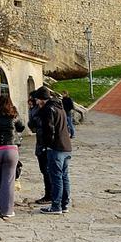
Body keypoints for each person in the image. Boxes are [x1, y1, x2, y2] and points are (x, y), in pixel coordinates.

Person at [32, 86, 72, 215]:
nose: (37, 102)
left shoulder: (48, 109)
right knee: (64, 176)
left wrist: (47, 145)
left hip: (55, 147)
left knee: (56, 177)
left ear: (41, 99)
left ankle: (56, 206)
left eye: (37, 100)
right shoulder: (59, 107)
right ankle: (64, 204)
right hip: (66, 146)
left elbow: (49, 130)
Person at [27, 95, 53, 205]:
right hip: (43, 144)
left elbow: (33, 125)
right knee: (47, 171)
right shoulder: (47, 109)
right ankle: (53, 195)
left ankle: (50, 195)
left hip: (44, 145)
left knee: (47, 171)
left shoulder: (42, 111)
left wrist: (32, 111)